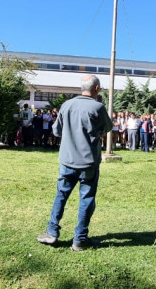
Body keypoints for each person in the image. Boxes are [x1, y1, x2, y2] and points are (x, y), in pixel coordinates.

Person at [37, 75, 113, 251]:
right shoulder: (98, 107)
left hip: (67, 160)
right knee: (86, 198)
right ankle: (79, 239)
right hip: (88, 162)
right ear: (96, 89)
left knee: (61, 195)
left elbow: (56, 131)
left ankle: (52, 232)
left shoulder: (66, 105)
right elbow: (108, 127)